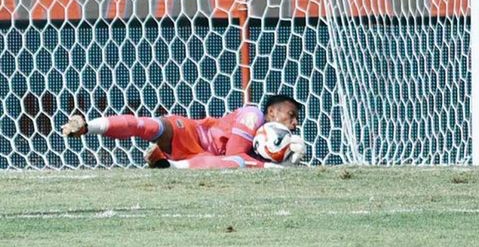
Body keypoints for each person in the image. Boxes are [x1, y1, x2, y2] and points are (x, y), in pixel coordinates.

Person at [60, 94, 307, 169]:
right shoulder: (253, 115)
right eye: (291, 115)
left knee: (220, 165)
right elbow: (236, 154)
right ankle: (87, 126)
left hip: (202, 158)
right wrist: (274, 168)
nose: (294, 123)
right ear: (272, 112)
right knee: (151, 125)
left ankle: (167, 163)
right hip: (194, 134)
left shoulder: (273, 140)